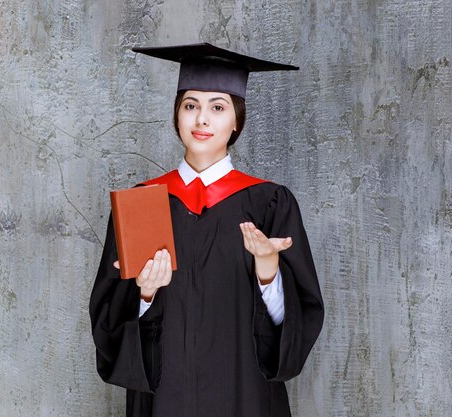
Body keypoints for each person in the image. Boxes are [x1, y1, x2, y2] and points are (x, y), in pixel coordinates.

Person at [89, 43, 324, 417]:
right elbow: (109, 325)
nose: (202, 120)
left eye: (218, 107)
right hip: (165, 400)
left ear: (236, 122)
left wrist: (268, 271)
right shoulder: (142, 205)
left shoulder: (269, 204)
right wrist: (145, 295)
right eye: (190, 105)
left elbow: (295, 328)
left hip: (244, 397)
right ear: (177, 116)